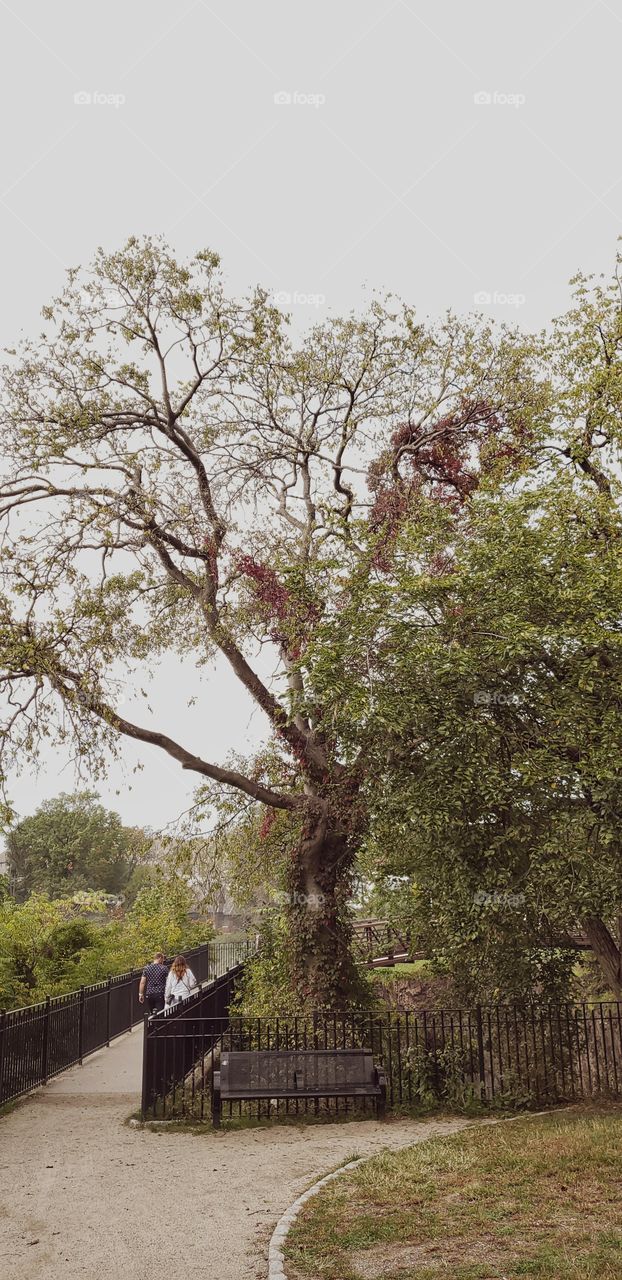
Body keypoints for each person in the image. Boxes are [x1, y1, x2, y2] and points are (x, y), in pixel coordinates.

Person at [138, 950, 169, 1014]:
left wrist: (141, 994)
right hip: (160, 993)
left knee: (152, 1013)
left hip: (149, 994)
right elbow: (168, 981)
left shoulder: (146, 968)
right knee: (160, 1013)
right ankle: (159, 1024)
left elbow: (142, 982)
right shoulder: (164, 968)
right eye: (163, 960)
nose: (163, 962)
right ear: (160, 958)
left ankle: (153, 1023)